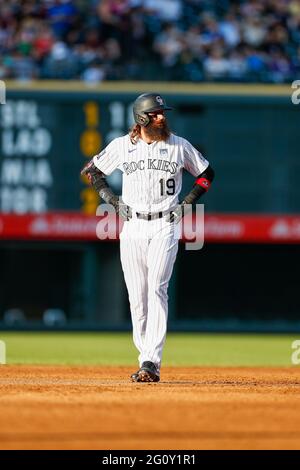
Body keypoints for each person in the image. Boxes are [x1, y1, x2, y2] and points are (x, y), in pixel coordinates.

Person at [81, 93, 215, 382]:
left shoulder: (179, 145)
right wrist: (112, 201)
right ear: (142, 118)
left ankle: (152, 361)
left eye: (162, 112)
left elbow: (206, 174)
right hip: (133, 226)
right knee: (137, 298)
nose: (162, 117)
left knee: (157, 288)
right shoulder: (122, 146)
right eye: (155, 113)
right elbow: (92, 172)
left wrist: (189, 201)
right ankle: (145, 358)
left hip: (165, 224)